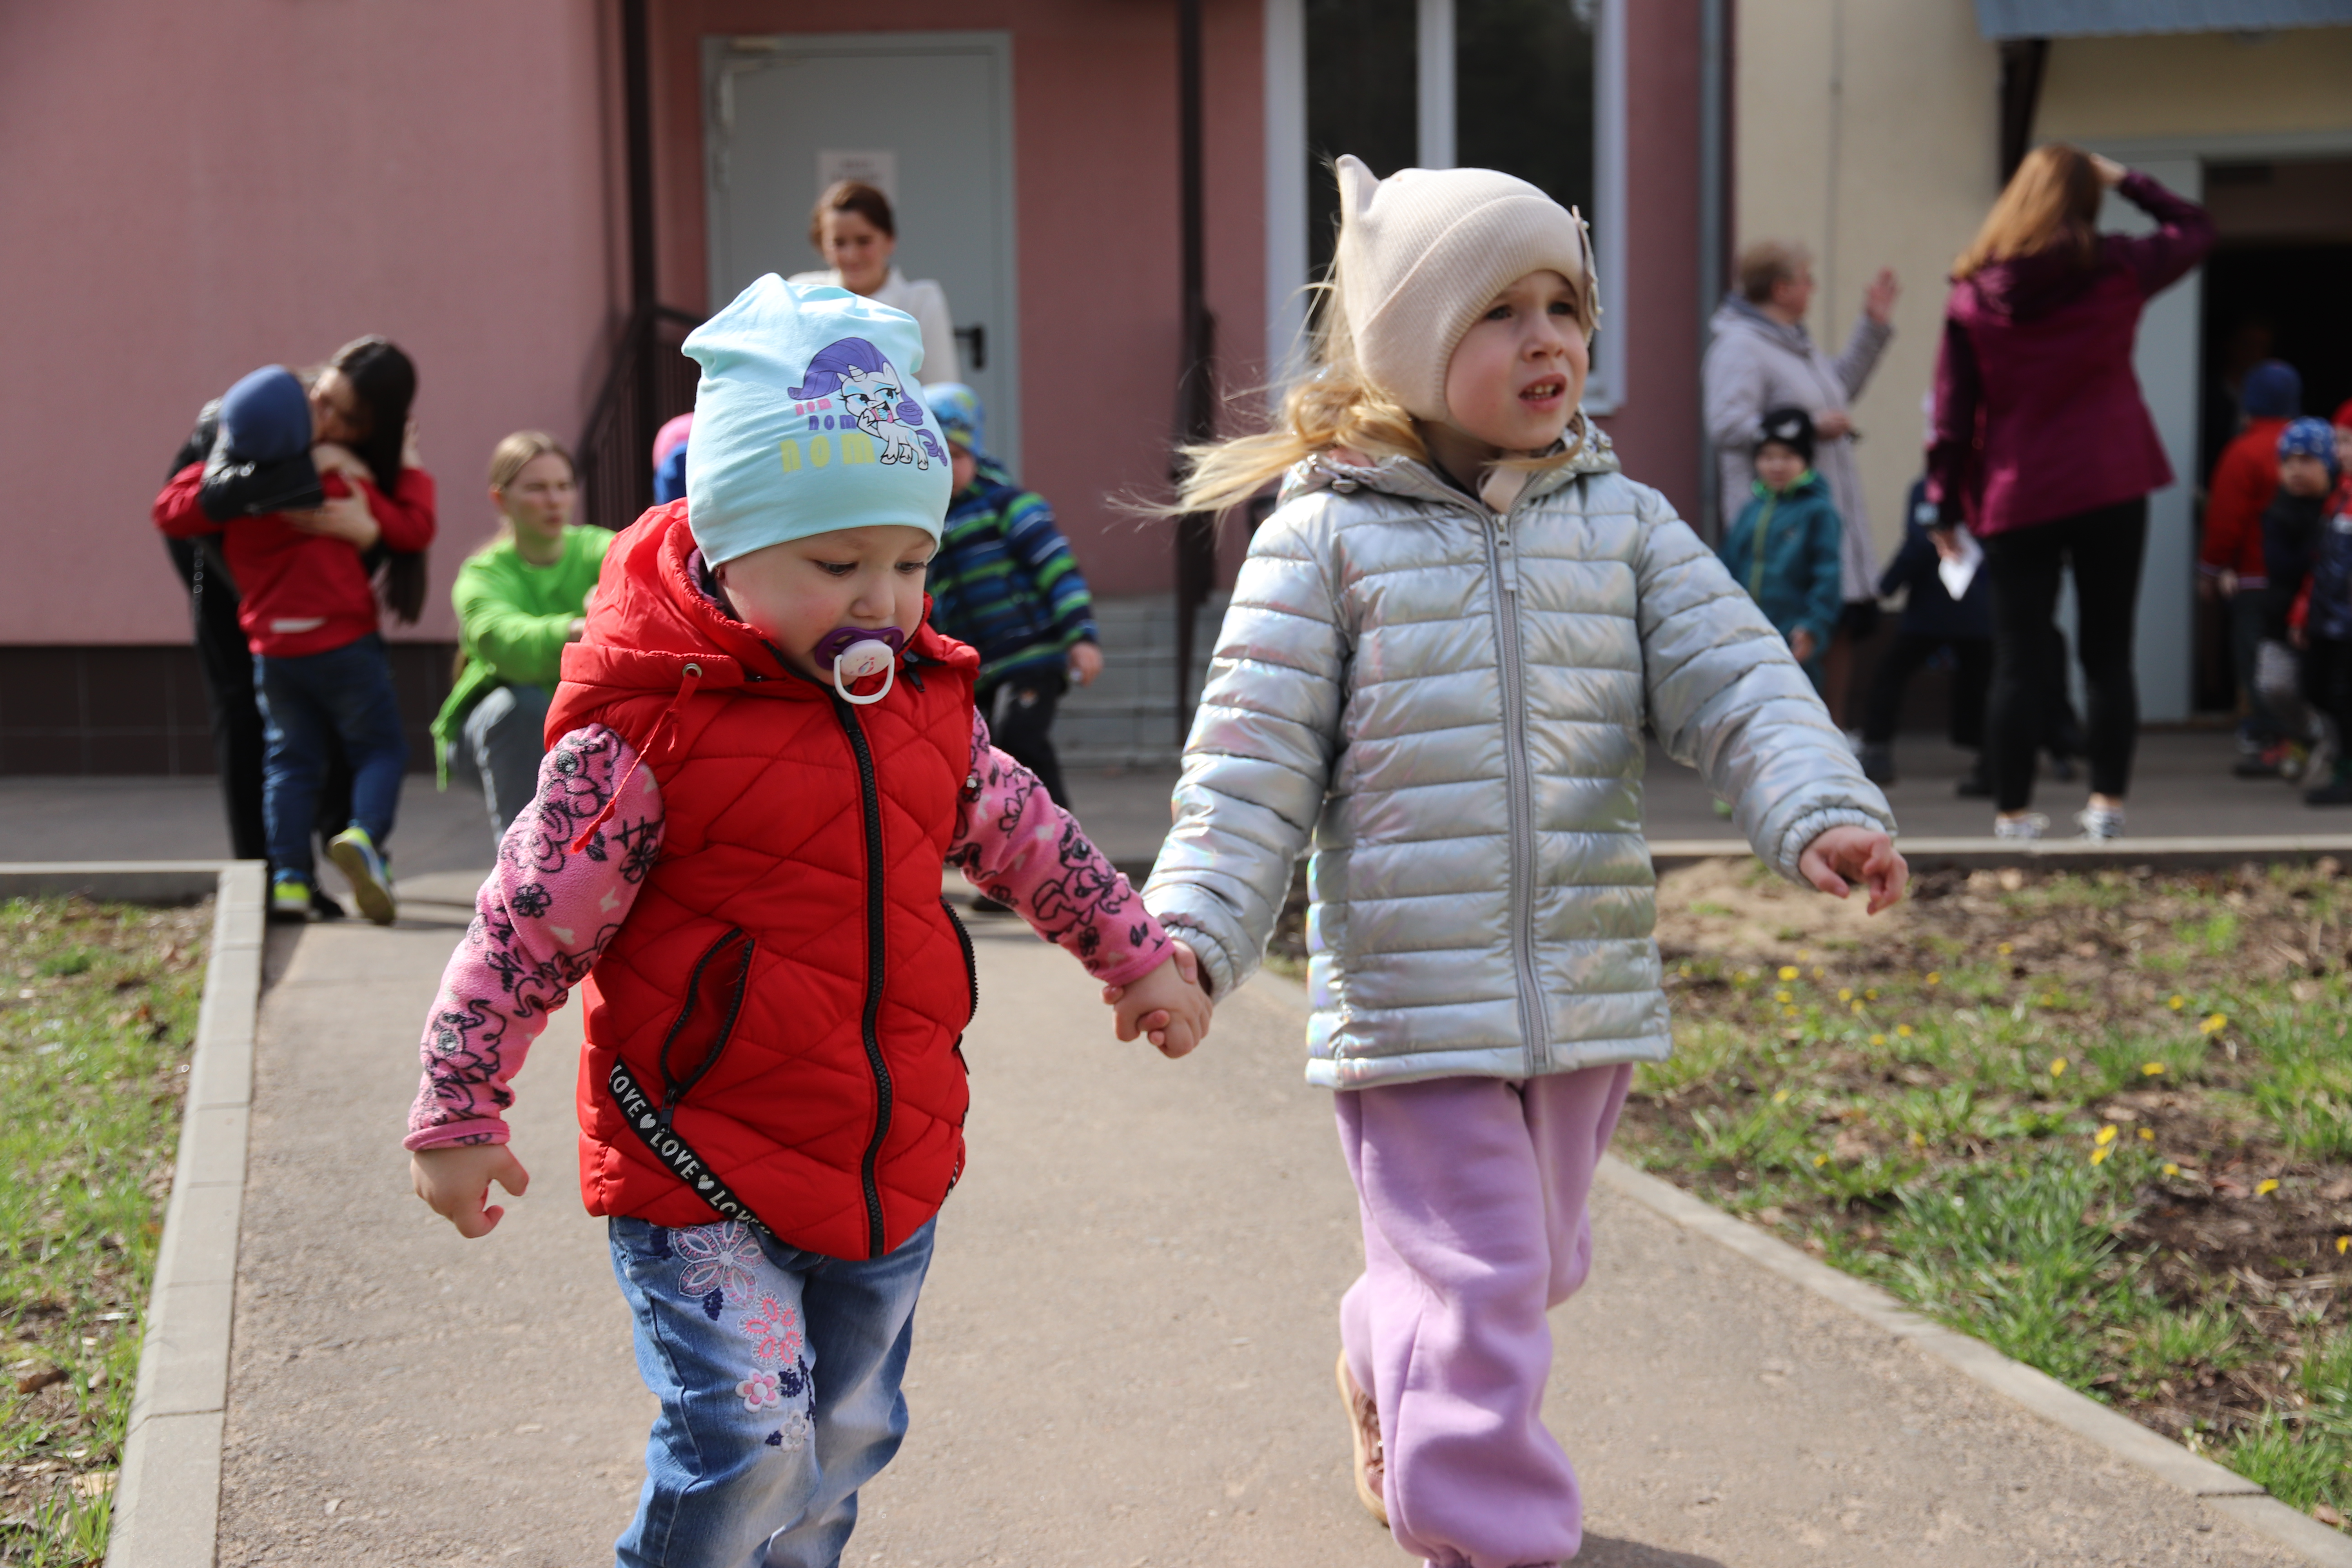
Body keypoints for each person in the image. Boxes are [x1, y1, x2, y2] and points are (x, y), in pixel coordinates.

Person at [1123, 156, 1904, 1568]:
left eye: (1565, 304)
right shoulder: (1322, 543)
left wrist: (1818, 808)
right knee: (1483, 1272)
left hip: (1582, 981)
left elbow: (1741, 682)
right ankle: (1486, 1529)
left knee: (1527, 1268)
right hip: (1416, 1001)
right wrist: (1186, 938)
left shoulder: (1626, 526)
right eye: (1499, 311)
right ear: (1410, 349)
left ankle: (1382, 1342)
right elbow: (1244, 772)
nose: (1547, 338)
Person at [403, 276, 1210, 1568]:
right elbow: (525, 928)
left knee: (842, 1434)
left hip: (882, 1156)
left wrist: (1139, 958)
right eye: (837, 565)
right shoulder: (646, 732)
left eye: (909, 561)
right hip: (694, 1167)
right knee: (747, 1436)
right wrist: (458, 1103)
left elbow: (1033, 836)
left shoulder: (928, 710)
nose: (884, 598)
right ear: (727, 545)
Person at [1927, 145, 2214, 841]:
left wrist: (1944, 504)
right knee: (2108, 653)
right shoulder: (2114, 267)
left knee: (2019, 659)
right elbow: (2195, 229)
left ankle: (2014, 814)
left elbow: (1952, 415)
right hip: (2111, 480)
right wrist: (2126, 178)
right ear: (2085, 198)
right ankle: (2107, 806)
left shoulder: (1973, 294)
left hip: (2018, 492)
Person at [154, 337, 435, 924]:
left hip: (295, 602)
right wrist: (310, 469)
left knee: (306, 739)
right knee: (247, 712)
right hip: (223, 567)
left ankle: (334, 844)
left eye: (347, 419)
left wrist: (368, 532)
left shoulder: (359, 463)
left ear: (377, 429)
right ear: (319, 379)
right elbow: (183, 507)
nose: (326, 419)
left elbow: (396, 535)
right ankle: (270, 874)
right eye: (323, 400)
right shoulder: (259, 420)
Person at [1704, 240, 1899, 729]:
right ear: (1782, 288)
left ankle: (1827, 740)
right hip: (1777, 527)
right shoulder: (1741, 346)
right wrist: (1806, 428)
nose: (1813, 290)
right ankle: (1785, 745)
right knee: (1791, 633)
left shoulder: (1791, 340)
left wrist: (1872, 328)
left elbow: (1836, 390)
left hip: (1814, 511)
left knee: (1837, 622)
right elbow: (1727, 424)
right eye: (1807, 280)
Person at [922, 383, 1102, 816]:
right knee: (986, 759)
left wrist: (1081, 636)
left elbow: (1058, 571)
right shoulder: (924, 527)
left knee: (1020, 740)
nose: (945, 469)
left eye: (956, 456)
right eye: (934, 457)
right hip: (977, 669)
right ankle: (1012, 855)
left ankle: (1063, 847)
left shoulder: (1009, 507)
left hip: (1030, 656)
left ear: (976, 456)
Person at [430, 433, 611, 840]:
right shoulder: (483, 573)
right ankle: (522, 875)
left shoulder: (600, 547)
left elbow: (641, 581)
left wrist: (612, 595)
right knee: (521, 706)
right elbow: (504, 642)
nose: (554, 499)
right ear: (501, 499)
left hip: (582, 723)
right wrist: (581, 627)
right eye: (537, 488)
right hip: (498, 731)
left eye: (563, 486)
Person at [2200, 359, 2303, 775]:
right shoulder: (2308, 445)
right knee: (2298, 664)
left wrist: (2211, 569)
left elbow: (2226, 521)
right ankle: (2298, 742)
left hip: (2256, 580)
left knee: (2259, 664)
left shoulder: (2244, 451)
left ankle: (2273, 742)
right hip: (2303, 582)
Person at [1716, 406, 1843, 691]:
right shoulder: (1751, 512)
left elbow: (1828, 575)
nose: (1776, 466)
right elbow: (1726, 568)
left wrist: (1814, 626)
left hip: (1794, 635)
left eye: (1788, 457)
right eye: (1767, 457)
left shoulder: (1818, 513)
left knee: (1795, 708)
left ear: (1807, 461)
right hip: (1746, 635)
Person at [2260, 419, 2352, 805]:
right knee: (2316, 689)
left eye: (2346, 442)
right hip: (2327, 619)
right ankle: (2327, 752)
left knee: (2342, 694)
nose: (2339, 451)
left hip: (2342, 619)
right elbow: (2321, 565)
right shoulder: (2338, 501)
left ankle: (2343, 773)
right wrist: (2303, 615)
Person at [788, 180, 960, 386]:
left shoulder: (921, 301)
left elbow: (942, 390)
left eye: (864, 241)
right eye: (839, 243)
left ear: (890, 239)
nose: (851, 256)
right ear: (822, 245)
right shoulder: (803, 294)